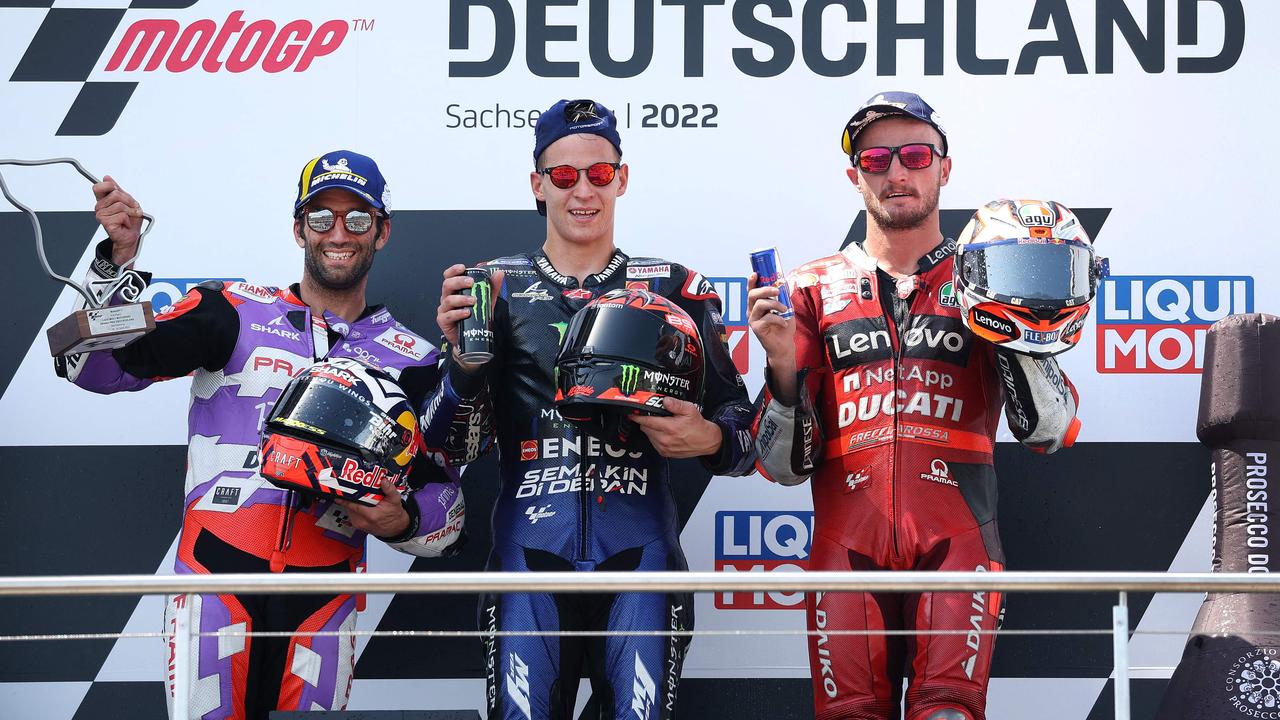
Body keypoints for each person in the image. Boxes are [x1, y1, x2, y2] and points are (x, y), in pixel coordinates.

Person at [57, 151, 466, 719]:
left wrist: (404, 520)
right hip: (212, 578)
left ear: (382, 230)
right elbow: (90, 368)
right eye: (321, 218)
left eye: (357, 218)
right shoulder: (230, 311)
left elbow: (446, 508)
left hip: (326, 596)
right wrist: (115, 262)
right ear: (299, 228)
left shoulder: (415, 361)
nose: (338, 233)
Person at [747, 92, 1081, 720]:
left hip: (959, 541)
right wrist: (781, 370)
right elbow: (782, 467)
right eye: (876, 159)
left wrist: (1026, 331)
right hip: (844, 549)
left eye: (915, 155)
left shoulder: (988, 273)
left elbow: (1052, 432)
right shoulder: (808, 288)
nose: (896, 173)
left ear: (944, 169)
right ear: (856, 177)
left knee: (949, 713)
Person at [422, 98, 756, 719]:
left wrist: (707, 438)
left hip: (642, 559)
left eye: (599, 174)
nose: (583, 191)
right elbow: (445, 449)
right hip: (528, 555)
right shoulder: (489, 285)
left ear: (622, 179)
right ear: (538, 184)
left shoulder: (674, 287)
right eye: (565, 175)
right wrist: (462, 369)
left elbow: (742, 431)